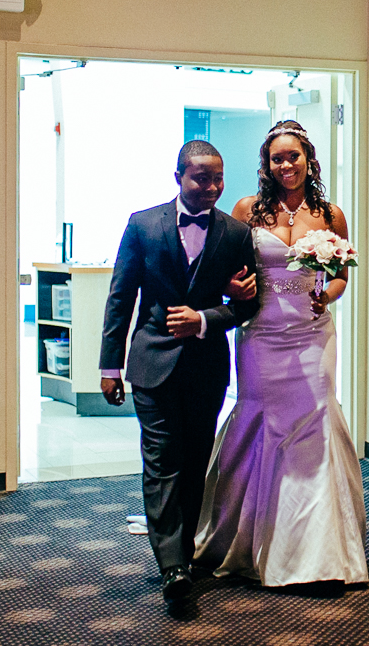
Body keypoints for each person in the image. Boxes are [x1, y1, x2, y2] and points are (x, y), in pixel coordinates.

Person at [193, 121, 368, 588]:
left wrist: (327, 296)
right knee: (259, 419)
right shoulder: (247, 210)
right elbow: (221, 267)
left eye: (293, 156)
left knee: (315, 420)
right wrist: (231, 288)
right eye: (277, 158)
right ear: (266, 164)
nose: (286, 165)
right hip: (261, 333)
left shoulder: (330, 215)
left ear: (309, 159)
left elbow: (341, 275)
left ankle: (317, 552)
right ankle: (248, 535)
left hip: (312, 333)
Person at [99, 140, 259, 602]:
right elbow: (121, 298)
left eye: (218, 179)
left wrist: (205, 318)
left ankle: (183, 555)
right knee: (162, 461)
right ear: (179, 178)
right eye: (201, 178)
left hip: (206, 368)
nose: (211, 187)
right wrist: (110, 366)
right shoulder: (143, 225)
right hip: (152, 363)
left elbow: (249, 307)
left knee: (194, 462)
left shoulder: (235, 233)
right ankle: (172, 567)